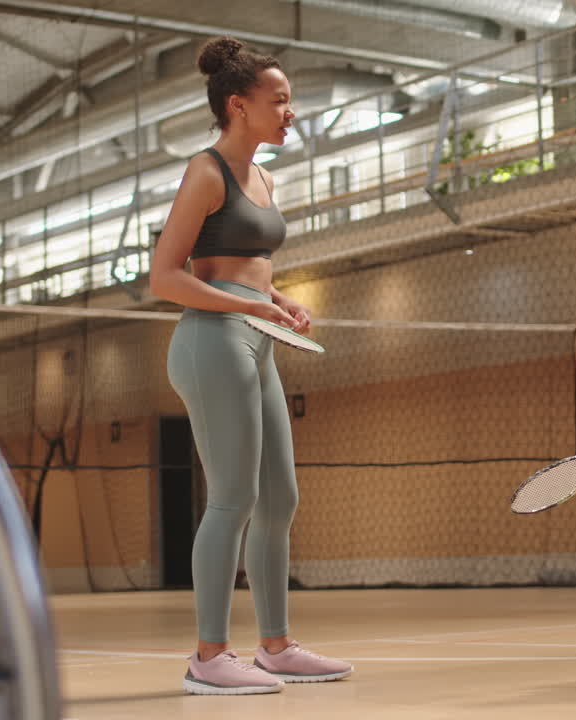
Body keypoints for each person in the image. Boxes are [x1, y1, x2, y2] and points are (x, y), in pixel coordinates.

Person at [150, 36, 352, 695]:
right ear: (240, 106)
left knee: (280, 498)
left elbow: (244, 273)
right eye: (281, 100)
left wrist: (279, 302)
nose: (291, 111)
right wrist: (248, 308)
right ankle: (209, 658)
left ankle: (276, 646)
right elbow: (165, 277)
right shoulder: (206, 172)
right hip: (211, 342)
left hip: (255, 337)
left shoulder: (262, 176)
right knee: (234, 497)